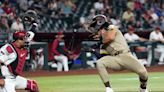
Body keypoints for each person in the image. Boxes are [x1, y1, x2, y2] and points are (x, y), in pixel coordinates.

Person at [88, 15, 148, 92]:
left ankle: (142, 88)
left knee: (143, 73)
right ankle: (108, 88)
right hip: (115, 59)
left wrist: (99, 43)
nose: (95, 33)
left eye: (96, 29)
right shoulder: (102, 41)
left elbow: (110, 37)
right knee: (99, 63)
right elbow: (102, 54)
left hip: (126, 56)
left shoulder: (111, 27)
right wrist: (93, 51)